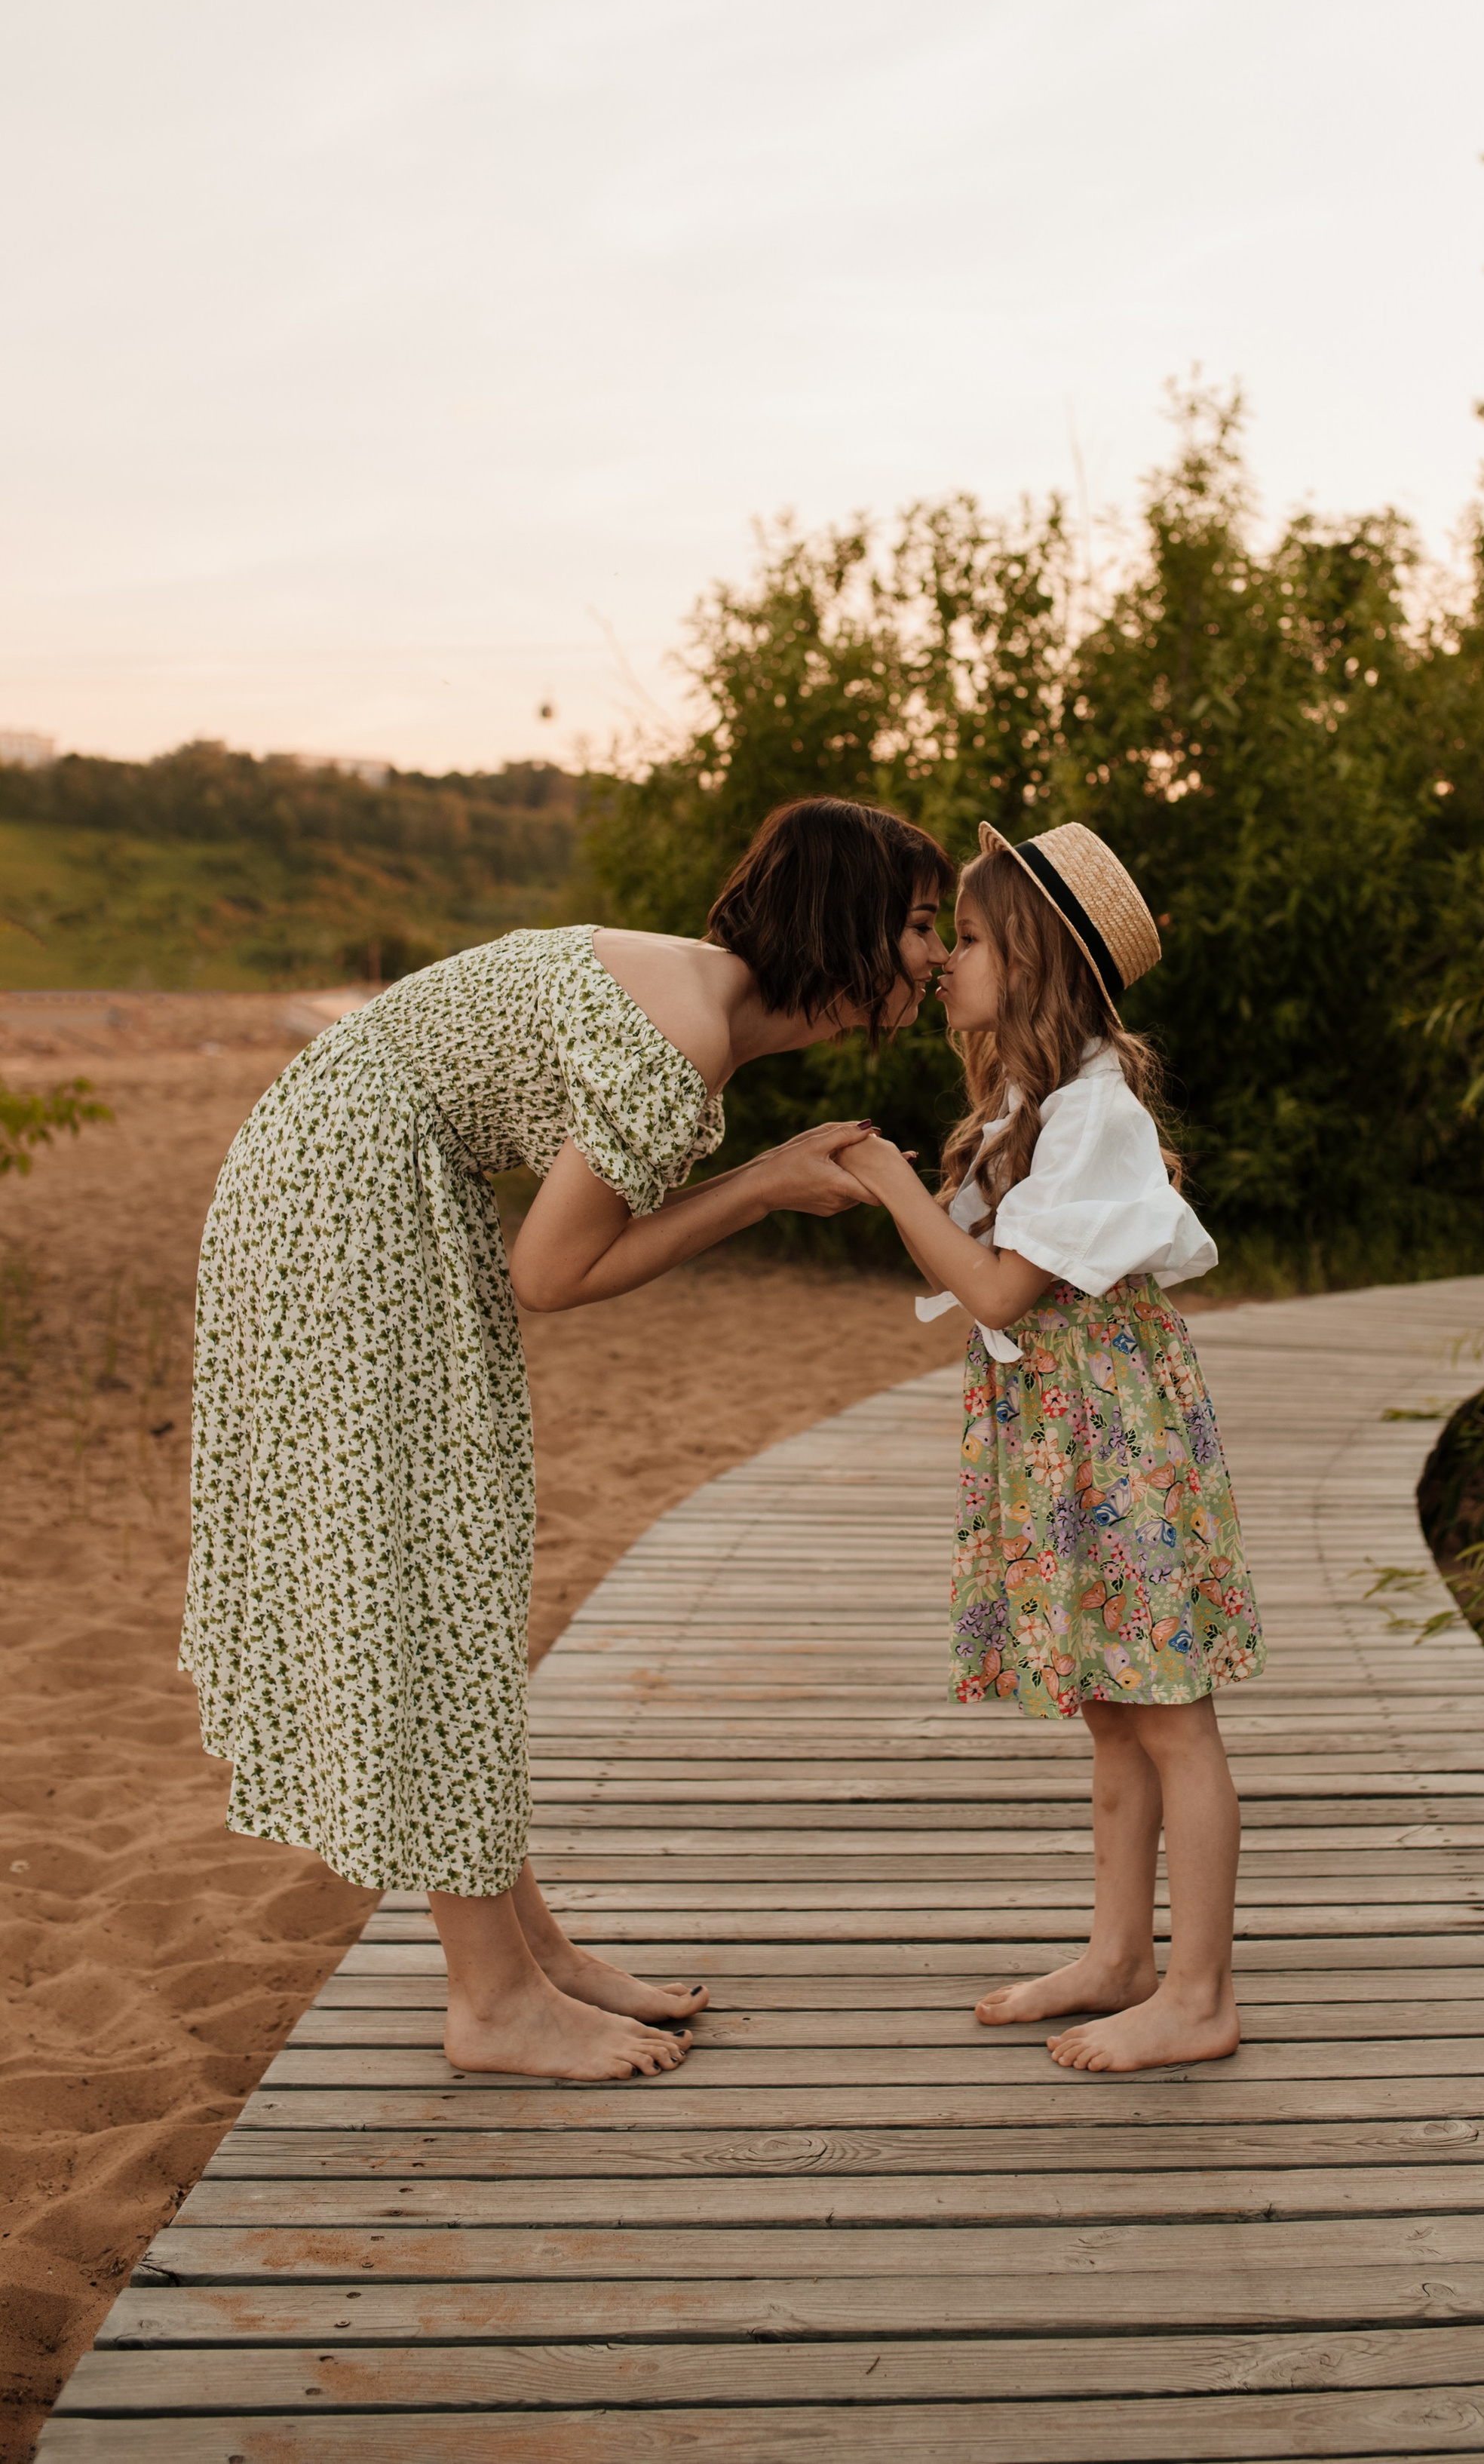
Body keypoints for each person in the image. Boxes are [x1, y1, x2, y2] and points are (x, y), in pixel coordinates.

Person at [183, 797, 953, 2084]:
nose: (938, 955)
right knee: (438, 1567)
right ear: (854, 922)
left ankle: (530, 1952)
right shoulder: (683, 1030)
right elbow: (551, 1273)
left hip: (348, 1174)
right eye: (924, 925)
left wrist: (760, 1172)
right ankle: (492, 2000)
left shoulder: (697, 999)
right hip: (346, 1196)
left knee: (454, 1556)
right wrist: (763, 1185)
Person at [834, 820, 1265, 2073]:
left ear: (1035, 963)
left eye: (967, 940)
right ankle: (1121, 1957)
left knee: (1171, 1713)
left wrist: (886, 1177)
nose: (945, 963)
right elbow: (974, 1271)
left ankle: (1201, 1995)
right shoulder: (1037, 1106)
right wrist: (896, 1183)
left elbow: (996, 1290)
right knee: (1114, 1711)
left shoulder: (1093, 1116)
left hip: (1117, 1435)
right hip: (1070, 1432)